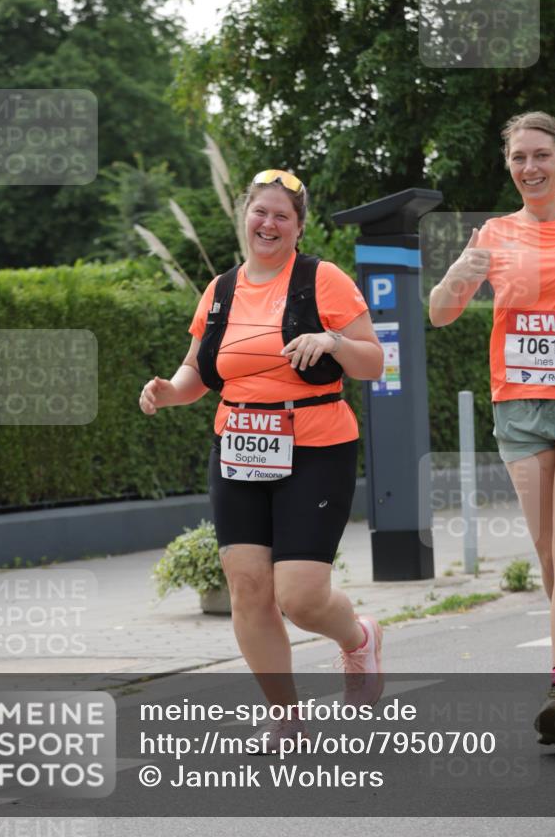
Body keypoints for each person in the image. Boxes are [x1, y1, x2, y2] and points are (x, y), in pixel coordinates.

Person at [140, 169, 385, 748]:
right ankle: (287, 716)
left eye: (281, 215)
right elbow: (200, 369)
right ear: (244, 217)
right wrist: (170, 390)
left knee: (298, 597)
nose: (267, 223)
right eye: (260, 212)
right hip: (239, 447)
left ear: (298, 228)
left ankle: (358, 639)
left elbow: (374, 362)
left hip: (317, 445)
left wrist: (333, 343)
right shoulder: (221, 289)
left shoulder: (323, 280)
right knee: (248, 588)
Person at [429, 111, 555, 749]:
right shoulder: (495, 234)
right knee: (545, 551)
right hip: (519, 406)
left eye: (540, 155)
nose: (529, 168)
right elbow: (442, 313)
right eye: (518, 159)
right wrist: (461, 270)